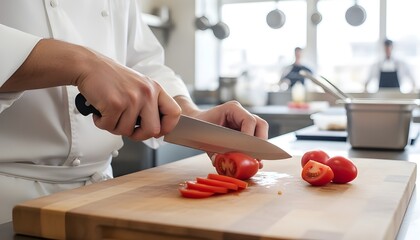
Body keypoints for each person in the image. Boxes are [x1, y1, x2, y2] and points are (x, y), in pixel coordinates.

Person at [0, 1, 268, 224]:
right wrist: (80, 63)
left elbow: (142, 63)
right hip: (8, 204)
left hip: (101, 197)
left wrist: (187, 114)